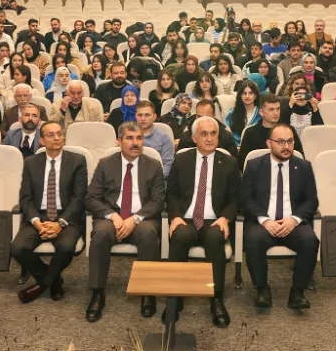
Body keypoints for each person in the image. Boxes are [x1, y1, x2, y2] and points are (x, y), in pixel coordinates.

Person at [84, 122, 166, 322]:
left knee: (148, 235)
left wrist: (134, 219)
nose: (135, 143)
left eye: (139, 138)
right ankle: (97, 293)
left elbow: (158, 201)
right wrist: (113, 216)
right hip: (113, 216)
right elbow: (91, 198)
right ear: (119, 141)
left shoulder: (153, 165)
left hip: (142, 217)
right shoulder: (105, 164)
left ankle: (148, 293)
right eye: (129, 138)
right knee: (100, 234)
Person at [166, 116, 238, 327]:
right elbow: (171, 194)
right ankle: (175, 298)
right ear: (194, 138)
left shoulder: (229, 163)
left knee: (215, 238)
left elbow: (235, 198)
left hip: (214, 219)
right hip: (187, 218)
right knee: (180, 235)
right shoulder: (181, 160)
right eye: (204, 134)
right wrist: (176, 216)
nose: (209, 138)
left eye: (213, 134)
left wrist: (225, 218)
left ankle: (216, 298)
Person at [240, 124, 319, 310]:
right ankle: (262, 289)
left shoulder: (304, 166)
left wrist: (294, 219)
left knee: (310, 241)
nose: (286, 146)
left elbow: (312, 200)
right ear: (269, 143)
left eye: (290, 141)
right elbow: (245, 199)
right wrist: (265, 220)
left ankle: (297, 292)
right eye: (281, 142)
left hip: (292, 222)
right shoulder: (254, 166)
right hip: (263, 223)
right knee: (253, 240)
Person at [14, 121, 88, 304]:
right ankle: (54, 281)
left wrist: (60, 223)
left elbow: (79, 197)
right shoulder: (31, 163)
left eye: (59, 134)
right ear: (41, 140)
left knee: (66, 247)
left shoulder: (78, 161)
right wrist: (37, 223)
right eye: (50, 135)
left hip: (67, 217)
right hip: (39, 215)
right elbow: (25, 198)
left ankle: (42, 285)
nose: (56, 138)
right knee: (17, 248)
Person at [238, 94, 303, 169]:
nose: (276, 113)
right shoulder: (250, 133)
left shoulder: (289, 131)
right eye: (271, 109)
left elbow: (299, 157)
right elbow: (242, 162)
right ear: (261, 112)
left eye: (278, 109)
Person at [135, 100, 175, 177]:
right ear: (135, 116)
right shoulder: (128, 137)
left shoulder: (164, 138)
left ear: (154, 117)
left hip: (156, 180)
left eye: (147, 115)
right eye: (140, 115)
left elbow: (167, 166)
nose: (143, 118)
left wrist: (153, 180)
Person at [226, 79, 262, 147]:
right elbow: (228, 133)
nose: (247, 96)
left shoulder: (261, 114)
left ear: (255, 96)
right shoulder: (232, 113)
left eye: (250, 93)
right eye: (244, 93)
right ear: (240, 96)